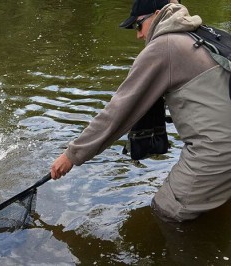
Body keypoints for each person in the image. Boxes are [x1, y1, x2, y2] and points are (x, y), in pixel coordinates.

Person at [50, 0, 231, 222]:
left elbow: (118, 112)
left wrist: (71, 155)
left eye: (138, 26)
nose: (138, 35)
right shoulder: (205, 34)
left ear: (156, 15)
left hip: (218, 150)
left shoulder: (164, 46)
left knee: (165, 211)